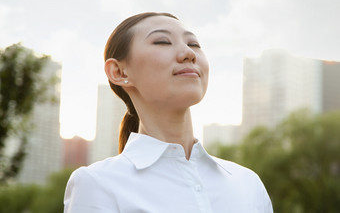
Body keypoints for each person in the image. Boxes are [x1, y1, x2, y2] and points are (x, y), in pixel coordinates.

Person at [63, 12, 273, 213]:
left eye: (194, 44)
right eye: (162, 42)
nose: (189, 53)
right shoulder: (97, 184)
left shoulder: (247, 184)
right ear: (119, 72)